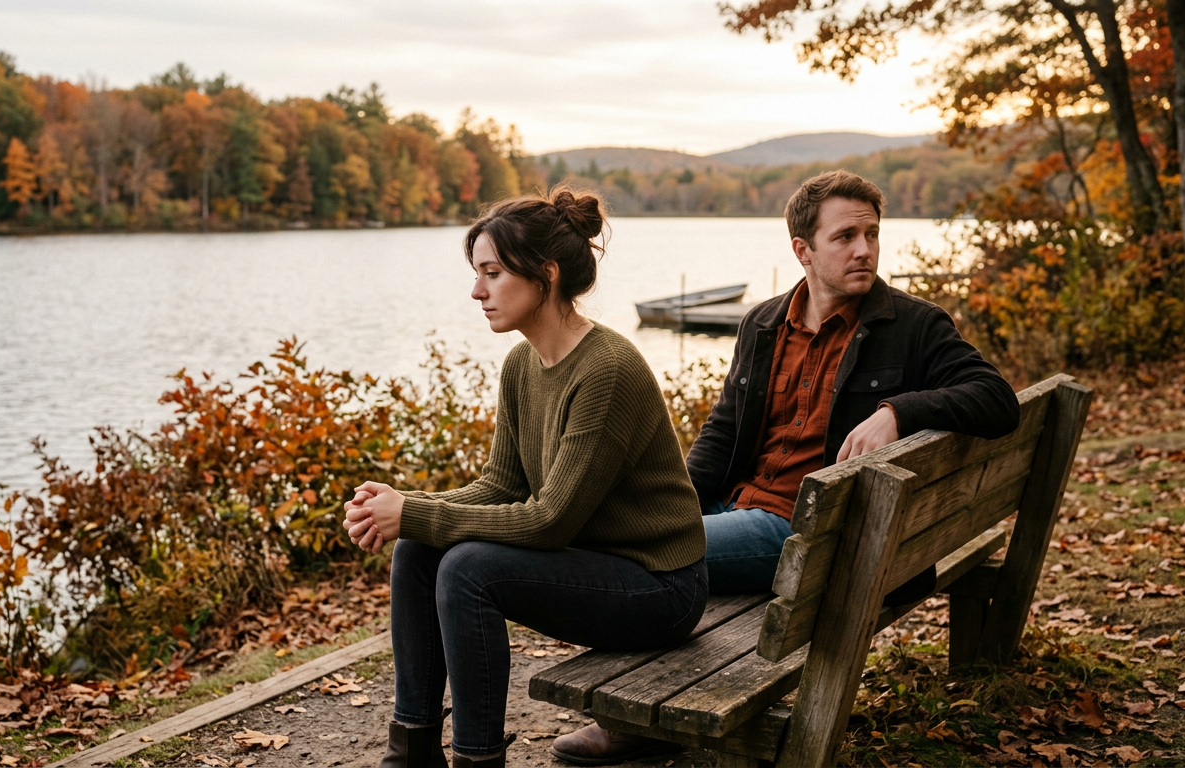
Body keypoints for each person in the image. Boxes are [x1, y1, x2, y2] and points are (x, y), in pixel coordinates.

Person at [550, 170, 1021, 765]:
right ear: (803, 250)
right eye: (845, 236)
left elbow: (996, 398)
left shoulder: (913, 326)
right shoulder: (764, 323)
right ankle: (634, 710)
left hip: (809, 530)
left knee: (639, 554)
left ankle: (628, 721)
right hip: (743, 505)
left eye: (872, 234)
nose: (864, 249)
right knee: (635, 533)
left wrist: (898, 411)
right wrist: (673, 504)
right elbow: (723, 432)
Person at [343, 188, 709, 768]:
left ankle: (477, 760)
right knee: (417, 550)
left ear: (547, 274)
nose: (477, 291)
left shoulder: (607, 370)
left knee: (468, 569)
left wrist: (413, 511)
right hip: (598, 567)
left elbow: (549, 521)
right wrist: (405, 509)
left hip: (660, 588)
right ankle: (410, 753)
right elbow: (500, 486)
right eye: (477, 273)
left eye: (492, 273)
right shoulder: (521, 364)